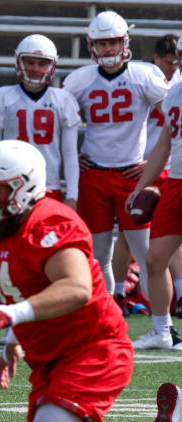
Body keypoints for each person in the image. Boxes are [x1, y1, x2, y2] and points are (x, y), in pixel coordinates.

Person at [0, 139, 181, 422]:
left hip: (91, 350)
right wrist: (14, 339)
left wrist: (11, 314)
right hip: (50, 357)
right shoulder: (0, 231)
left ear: (26, 187)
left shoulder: (52, 221)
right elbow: (26, 289)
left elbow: (77, 287)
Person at [63, 10, 169, 302]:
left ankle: (163, 326)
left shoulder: (144, 75)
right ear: (91, 46)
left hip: (132, 175)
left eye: (112, 42)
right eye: (102, 43)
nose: (108, 49)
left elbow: (174, 117)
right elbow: (60, 123)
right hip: (93, 174)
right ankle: (105, 316)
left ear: (125, 42)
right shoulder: (79, 80)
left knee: (147, 255)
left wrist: (154, 164)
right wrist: (71, 155)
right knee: (98, 256)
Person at [113, 33, 182, 320]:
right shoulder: (175, 91)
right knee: (154, 258)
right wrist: (139, 186)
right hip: (175, 179)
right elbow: (164, 145)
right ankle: (162, 330)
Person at [0, 34, 80, 210]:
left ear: (51, 65)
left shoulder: (63, 100)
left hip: (48, 187)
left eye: (42, 63)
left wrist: (72, 195)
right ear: (19, 62)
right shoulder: (1, 98)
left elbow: (70, 154)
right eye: (30, 62)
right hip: (11, 186)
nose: (35, 68)